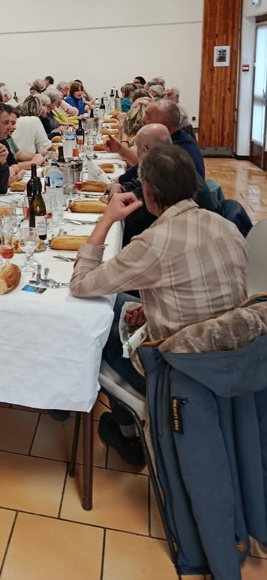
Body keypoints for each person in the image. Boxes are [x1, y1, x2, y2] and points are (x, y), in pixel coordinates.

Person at [70, 145, 247, 465]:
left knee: (89, 326)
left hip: (179, 372)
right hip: (231, 358)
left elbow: (81, 284)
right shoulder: (226, 226)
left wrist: (107, 219)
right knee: (121, 303)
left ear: (148, 192)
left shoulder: (154, 242)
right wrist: (155, 311)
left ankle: (127, 435)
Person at [103, 124, 215, 245]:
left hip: (185, 242)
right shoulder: (174, 162)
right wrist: (121, 187)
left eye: (137, 149)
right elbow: (135, 184)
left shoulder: (165, 175)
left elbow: (128, 210)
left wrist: (115, 195)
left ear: (145, 150)